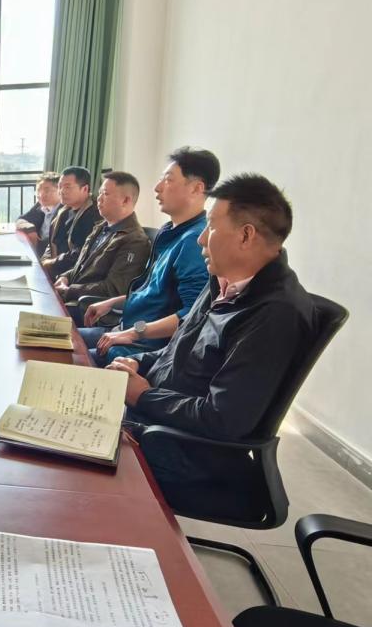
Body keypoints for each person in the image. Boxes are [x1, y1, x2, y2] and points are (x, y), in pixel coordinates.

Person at [108, 174, 315, 487]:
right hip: (156, 421)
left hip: (188, 454)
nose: (201, 239)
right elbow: (178, 350)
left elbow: (222, 419)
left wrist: (144, 396)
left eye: (211, 227)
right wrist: (138, 362)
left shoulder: (275, 314)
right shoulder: (224, 280)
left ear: (246, 235)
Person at [78, 147, 220, 365]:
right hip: (126, 330)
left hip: (143, 350)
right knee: (62, 340)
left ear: (196, 188)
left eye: (168, 180)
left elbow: (191, 315)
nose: (157, 187)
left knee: (67, 358)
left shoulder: (193, 241)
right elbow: (151, 291)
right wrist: (112, 302)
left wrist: (134, 332)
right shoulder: (170, 231)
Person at [53, 171, 151, 324]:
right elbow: (82, 267)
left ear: (125, 200)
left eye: (105, 194)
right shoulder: (101, 227)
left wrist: (69, 290)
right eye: (99, 193)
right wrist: (65, 277)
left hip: (88, 310)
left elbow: (113, 289)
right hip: (72, 299)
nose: (99, 198)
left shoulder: (134, 240)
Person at [40, 166, 102, 274]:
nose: (62, 191)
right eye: (60, 187)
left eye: (67, 187)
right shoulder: (63, 210)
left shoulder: (94, 215)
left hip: (73, 275)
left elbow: (79, 254)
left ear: (85, 189)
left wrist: (49, 264)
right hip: (54, 270)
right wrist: (43, 262)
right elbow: (52, 243)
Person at [15, 174, 61, 252]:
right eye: (38, 190)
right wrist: (29, 228)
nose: (41, 194)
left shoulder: (65, 212)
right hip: (37, 250)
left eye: (47, 190)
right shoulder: (40, 206)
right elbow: (22, 219)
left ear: (60, 191)